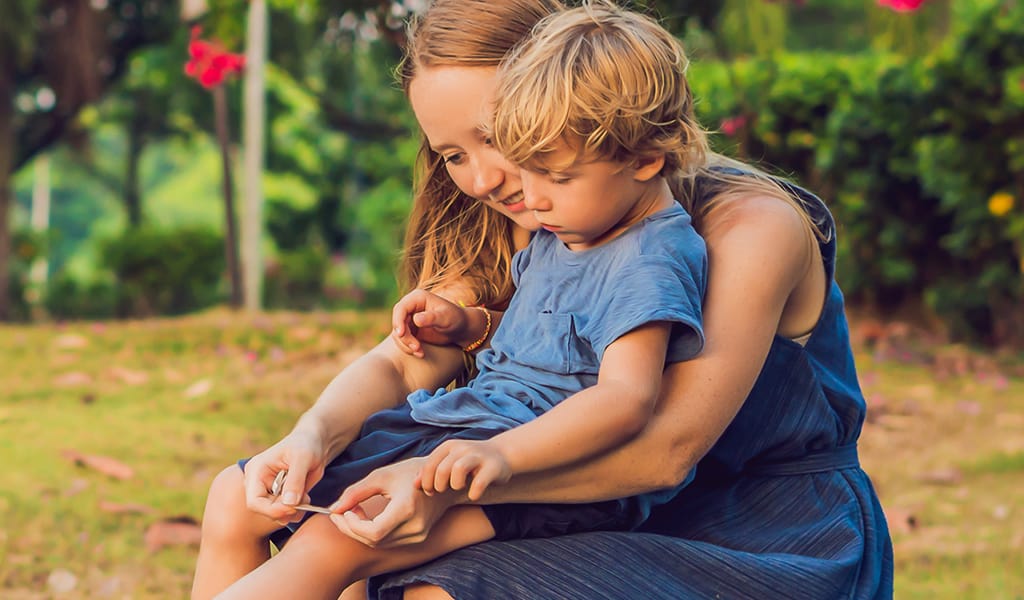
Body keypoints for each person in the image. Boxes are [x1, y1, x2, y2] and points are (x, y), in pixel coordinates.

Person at [191, 1, 894, 599]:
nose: (492, 178)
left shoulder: (743, 225)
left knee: (421, 580)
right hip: (575, 487)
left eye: (500, 136)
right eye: (453, 154)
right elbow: (411, 363)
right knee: (245, 495)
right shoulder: (556, 210)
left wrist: (439, 490)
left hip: (756, 524)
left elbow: (665, 451)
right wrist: (313, 434)